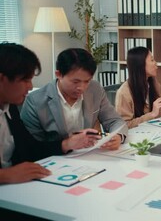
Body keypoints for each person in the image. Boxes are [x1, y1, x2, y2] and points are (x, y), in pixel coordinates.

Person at [20, 48, 128, 154]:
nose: (81, 87)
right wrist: (67, 144)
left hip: (88, 156)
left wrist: (118, 136)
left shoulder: (95, 89)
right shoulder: (35, 101)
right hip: (56, 160)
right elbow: (32, 148)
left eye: (87, 81)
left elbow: (114, 120)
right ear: (58, 74)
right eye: (75, 82)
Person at [0, 43, 52, 184]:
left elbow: (31, 148)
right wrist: (4, 175)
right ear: (2, 79)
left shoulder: (10, 107)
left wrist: (67, 144)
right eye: (25, 80)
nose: (29, 86)